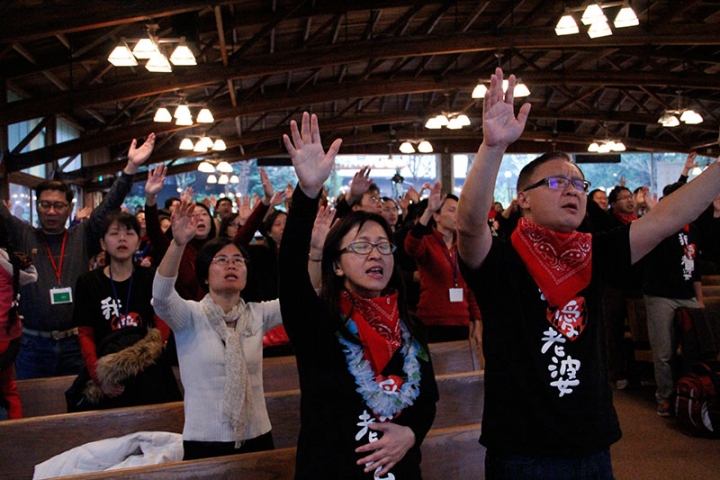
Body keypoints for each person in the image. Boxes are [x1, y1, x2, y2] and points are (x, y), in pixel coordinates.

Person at [456, 67, 720, 479]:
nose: (573, 190)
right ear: (522, 199)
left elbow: (667, 218)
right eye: (558, 181)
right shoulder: (502, 259)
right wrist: (492, 148)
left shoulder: (593, 252)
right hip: (523, 450)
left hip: (592, 445)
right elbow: (470, 224)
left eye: (579, 184)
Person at [279, 112, 438, 478]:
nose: (375, 254)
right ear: (336, 266)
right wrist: (307, 193)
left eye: (383, 246)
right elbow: (289, 272)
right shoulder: (318, 324)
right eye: (362, 246)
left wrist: (411, 433)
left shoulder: (409, 327)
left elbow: (427, 399)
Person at [0, 134, 156, 379]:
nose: (51, 211)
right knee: (35, 409)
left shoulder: (82, 235)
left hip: (75, 343)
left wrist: (131, 168)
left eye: (59, 205)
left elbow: (109, 205)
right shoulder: (23, 234)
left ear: (70, 208)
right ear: (37, 205)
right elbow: (2, 216)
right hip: (32, 345)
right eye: (44, 205)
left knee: (80, 408)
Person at [153, 199, 282, 460]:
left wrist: (314, 250)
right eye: (221, 260)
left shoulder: (257, 314)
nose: (231, 264)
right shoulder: (190, 316)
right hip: (204, 442)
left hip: (257, 436)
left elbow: (305, 297)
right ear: (204, 274)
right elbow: (162, 297)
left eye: (238, 260)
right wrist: (178, 244)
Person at [67, 212, 181, 411]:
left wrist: (141, 360)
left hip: (149, 367)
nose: (122, 239)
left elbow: (162, 323)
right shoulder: (88, 282)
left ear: (138, 243)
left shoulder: (151, 277)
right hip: (107, 371)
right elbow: (85, 334)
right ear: (103, 243)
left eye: (129, 233)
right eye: (114, 234)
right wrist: (100, 377)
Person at [643, 182, 704, 417]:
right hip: (661, 295)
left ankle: (689, 393)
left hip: (687, 293)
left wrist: (699, 299)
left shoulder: (692, 229)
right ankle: (665, 398)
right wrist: (653, 210)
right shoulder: (658, 225)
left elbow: (694, 267)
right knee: (664, 351)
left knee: (695, 347)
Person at [404, 182, 482, 343]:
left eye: (458, 210)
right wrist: (429, 210)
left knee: (461, 368)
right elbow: (411, 245)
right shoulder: (427, 243)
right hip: (432, 320)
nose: (457, 215)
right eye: (451, 210)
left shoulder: (462, 246)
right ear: (437, 216)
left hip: (460, 319)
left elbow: (470, 287)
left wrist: (477, 321)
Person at [0, 218, 37, 419]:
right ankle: (18, 439)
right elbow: (32, 275)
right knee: (9, 390)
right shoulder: (9, 260)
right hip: (10, 336)